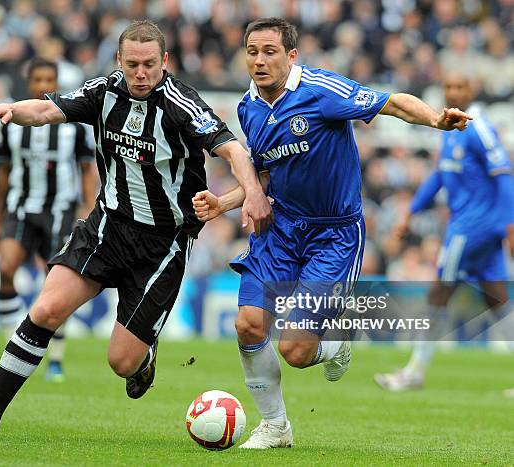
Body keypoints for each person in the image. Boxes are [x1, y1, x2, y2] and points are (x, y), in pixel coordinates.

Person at [0, 20, 271, 440]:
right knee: (45, 310)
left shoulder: (182, 105)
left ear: (165, 62)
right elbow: (48, 108)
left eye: (150, 65)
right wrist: (9, 110)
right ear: (119, 60)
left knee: (121, 361)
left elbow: (234, 151)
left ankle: (143, 359)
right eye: (133, 64)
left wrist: (253, 194)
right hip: (107, 226)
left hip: (163, 243)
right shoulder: (104, 92)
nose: (141, 73)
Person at [193, 18, 472, 449]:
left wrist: (435, 119)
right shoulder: (248, 108)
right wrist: (223, 202)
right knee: (248, 326)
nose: (259, 60)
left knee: (296, 351)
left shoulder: (322, 91)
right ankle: (275, 427)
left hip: (334, 236)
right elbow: (265, 176)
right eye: (252, 51)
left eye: (270, 51)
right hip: (279, 229)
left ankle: (336, 343)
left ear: (292, 56)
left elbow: (391, 102)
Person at [374, 72, 514, 392]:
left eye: (460, 86)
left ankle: (414, 372)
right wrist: (410, 212)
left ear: (471, 88)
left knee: (439, 291)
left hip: (471, 228)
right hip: (479, 229)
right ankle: (414, 371)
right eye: (449, 87)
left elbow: (504, 174)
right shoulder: (449, 127)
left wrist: (510, 225)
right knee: (499, 300)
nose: (453, 91)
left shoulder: (480, 127)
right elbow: (439, 175)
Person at [0, 57, 97, 383]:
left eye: (48, 79)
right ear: (29, 83)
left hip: (60, 210)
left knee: (55, 285)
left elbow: (86, 169)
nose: (43, 86)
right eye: (37, 79)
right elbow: (4, 172)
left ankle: (56, 359)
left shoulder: (73, 127)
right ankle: (13, 338)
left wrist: (88, 207)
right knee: (7, 267)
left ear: (56, 83)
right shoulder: (12, 126)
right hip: (21, 207)